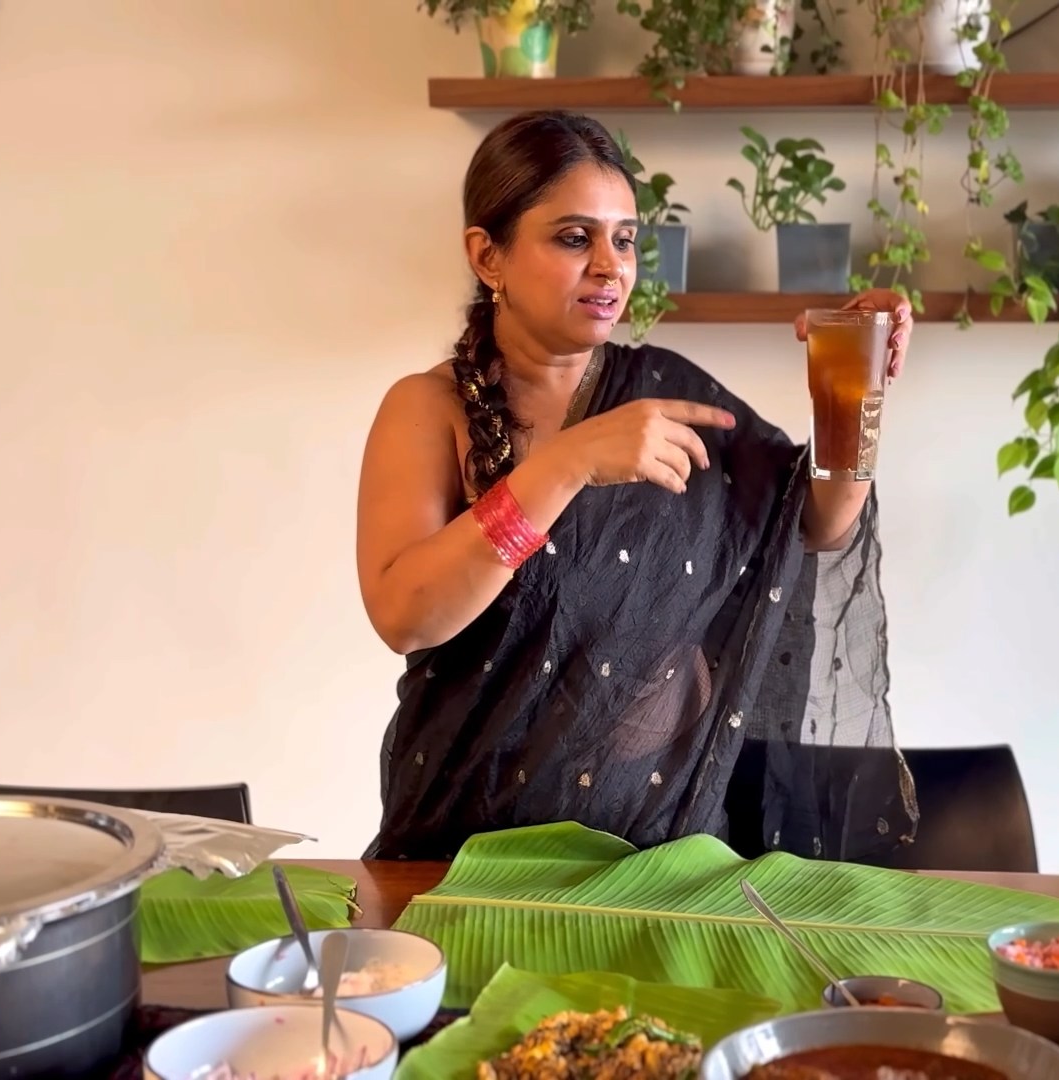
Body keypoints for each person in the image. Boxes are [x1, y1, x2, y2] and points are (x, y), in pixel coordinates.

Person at [356, 110, 917, 863]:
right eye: (574, 237)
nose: (610, 266)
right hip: (458, 862)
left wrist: (854, 396)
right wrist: (566, 464)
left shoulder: (667, 395)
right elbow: (406, 617)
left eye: (624, 240)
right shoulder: (430, 408)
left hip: (658, 867)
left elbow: (816, 525)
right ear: (488, 256)